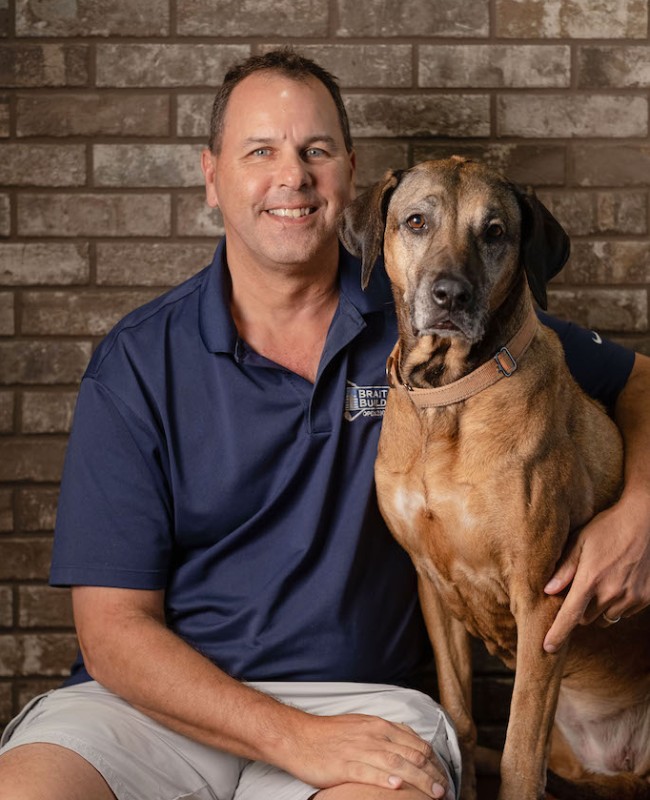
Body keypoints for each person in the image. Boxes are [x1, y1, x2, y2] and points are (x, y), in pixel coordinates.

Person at [0, 48, 648, 800]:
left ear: (351, 175)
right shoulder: (138, 361)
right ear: (211, 176)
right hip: (161, 708)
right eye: (260, 151)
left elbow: (639, 380)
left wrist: (640, 512)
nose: (293, 176)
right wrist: (290, 738)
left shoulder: (443, 320)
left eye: (316, 150)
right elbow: (111, 633)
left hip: (364, 705)